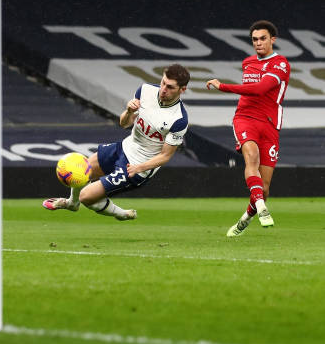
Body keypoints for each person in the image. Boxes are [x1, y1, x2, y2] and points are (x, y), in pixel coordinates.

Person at [43, 64, 190, 221]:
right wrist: (129, 111)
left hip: (138, 166)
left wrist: (139, 168)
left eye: (170, 87)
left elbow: (165, 156)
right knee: (83, 168)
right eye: (162, 83)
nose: (163, 89)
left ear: (182, 90)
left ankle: (121, 214)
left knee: (87, 197)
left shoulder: (179, 119)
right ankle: (72, 203)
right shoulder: (146, 90)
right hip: (124, 147)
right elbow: (124, 124)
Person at [206, 20, 290, 237]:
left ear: (273, 40)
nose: (258, 43)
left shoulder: (280, 64)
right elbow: (249, 93)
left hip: (270, 124)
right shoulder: (248, 62)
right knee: (250, 156)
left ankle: (246, 217)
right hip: (245, 119)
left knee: (265, 187)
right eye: (255, 39)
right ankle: (261, 207)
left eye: (263, 38)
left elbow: (261, 89)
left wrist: (222, 86)